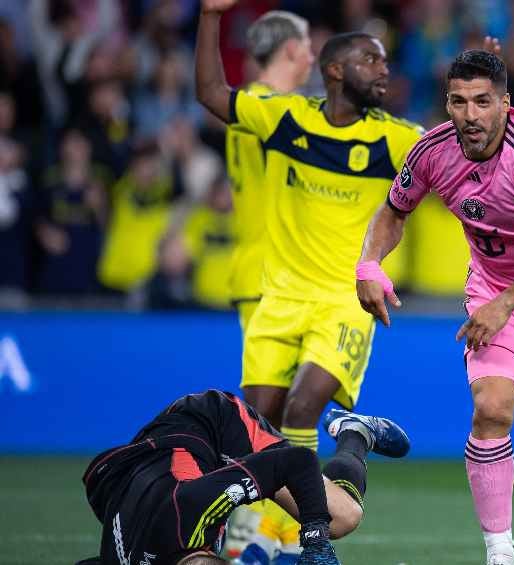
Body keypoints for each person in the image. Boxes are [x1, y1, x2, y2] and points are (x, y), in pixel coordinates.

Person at [356, 49, 514, 565]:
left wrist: (506, 303)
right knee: (491, 409)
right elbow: (393, 211)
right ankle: (500, 552)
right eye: (458, 101)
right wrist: (369, 264)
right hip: (495, 295)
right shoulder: (431, 151)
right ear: (447, 103)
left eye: (482, 102)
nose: (470, 115)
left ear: (504, 104)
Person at [195, 0, 423, 451]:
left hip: (344, 302)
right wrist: (210, 17)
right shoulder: (285, 117)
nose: (383, 70)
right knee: (259, 425)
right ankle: (266, 522)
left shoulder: (397, 138)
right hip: (279, 297)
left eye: (385, 60)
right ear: (335, 70)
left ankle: (309, 521)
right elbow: (210, 93)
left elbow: (456, 160)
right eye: (370, 59)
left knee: (303, 409)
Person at [75, 389, 410, 565]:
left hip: (218, 427)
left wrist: (315, 543)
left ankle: (355, 432)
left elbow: (298, 462)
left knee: (341, 517)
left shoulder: (192, 507)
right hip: (154, 460)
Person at [221, 9, 316, 557]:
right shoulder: (270, 110)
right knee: (272, 417)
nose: (312, 59)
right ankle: (249, 534)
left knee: (278, 415)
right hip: (272, 274)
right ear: (287, 51)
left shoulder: (249, 105)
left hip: (265, 271)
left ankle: (267, 534)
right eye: (306, 48)